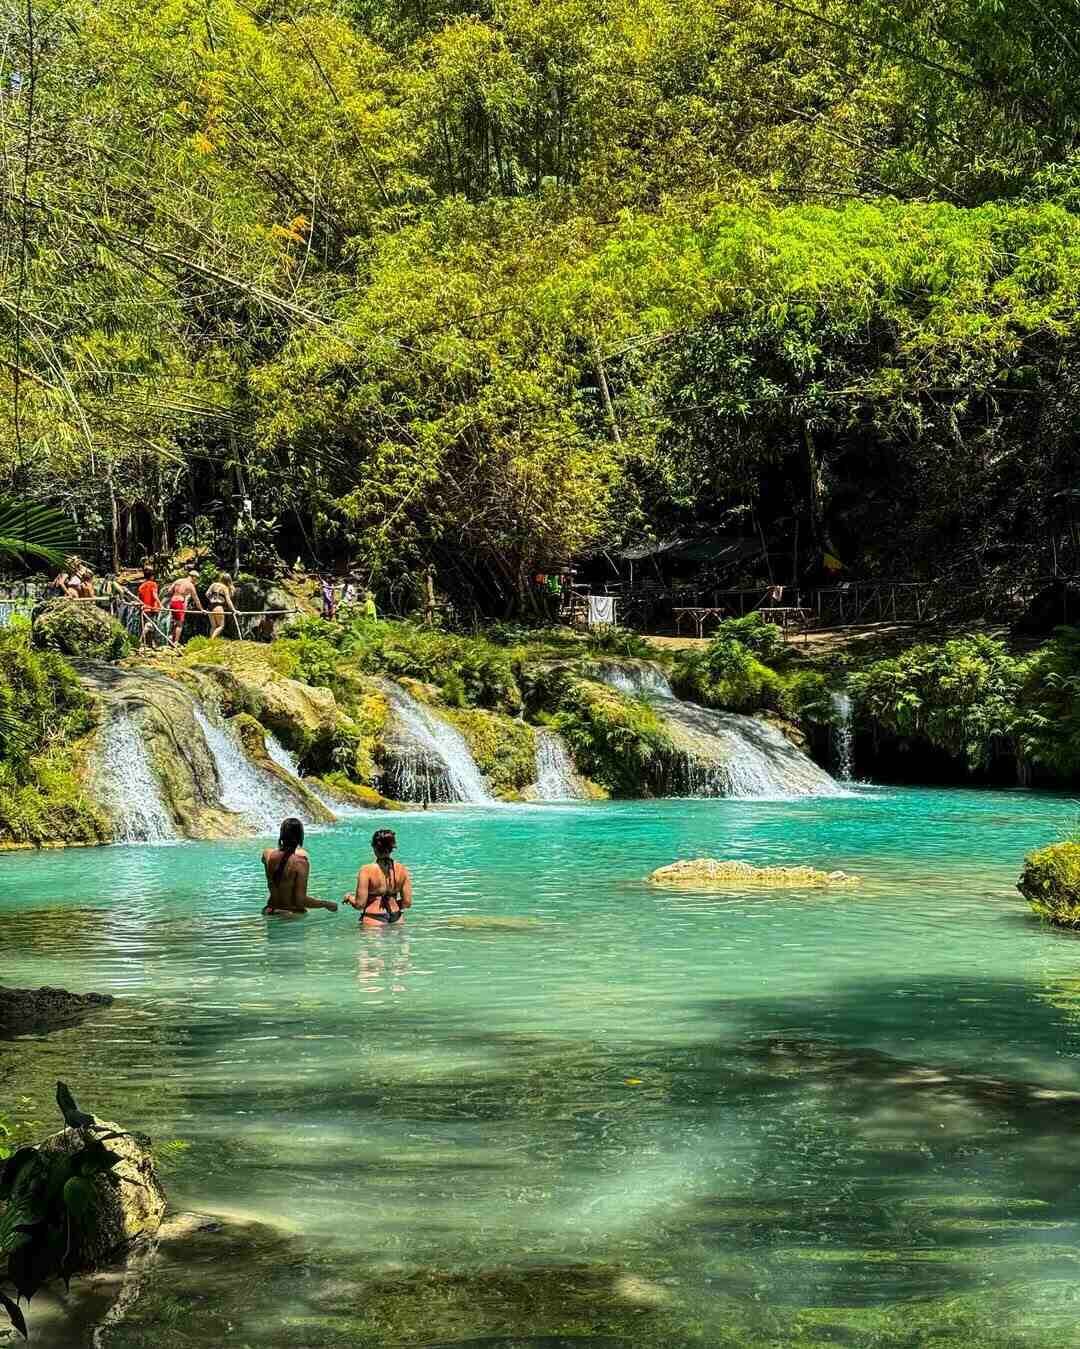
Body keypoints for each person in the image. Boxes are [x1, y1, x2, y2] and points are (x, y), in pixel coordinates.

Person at [262, 818, 338, 916]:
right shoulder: (300, 863)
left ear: (282, 834)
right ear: (300, 837)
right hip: (290, 915)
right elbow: (300, 901)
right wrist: (326, 904)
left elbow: (278, 861)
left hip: (270, 910)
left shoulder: (267, 854)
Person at [344, 828, 412, 927]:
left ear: (374, 847)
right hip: (397, 917)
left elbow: (360, 904)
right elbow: (407, 902)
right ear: (391, 848)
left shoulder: (366, 870)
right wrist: (394, 904)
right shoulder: (402, 869)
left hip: (373, 918)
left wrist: (349, 898)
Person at [165, 570, 205, 647]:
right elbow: (196, 598)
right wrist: (201, 609)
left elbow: (169, 590)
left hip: (172, 602)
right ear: (193, 577)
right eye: (196, 578)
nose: (196, 580)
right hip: (179, 603)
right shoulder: (190, 585)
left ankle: (170, 638)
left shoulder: (178, 580)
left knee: (174, 622)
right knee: (180, 624)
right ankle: (176, 642)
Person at [205, 571, 237, 639]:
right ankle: (211, 640)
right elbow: (228, 600)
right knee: (221, 626)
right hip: (218, 607)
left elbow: (207, 594)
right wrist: (233, 610)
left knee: (213, 626)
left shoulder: (213, 584)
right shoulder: (225, 587)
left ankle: (211, 641)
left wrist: (212, 599)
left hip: (210, 606)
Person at [137, 566, 163, 648]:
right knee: (150, 625)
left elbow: (139, 598)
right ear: (152, 576)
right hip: (152, 609)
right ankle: (141, 641)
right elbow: (154, 595)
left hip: (144, 609)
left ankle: (150, 644)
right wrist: (161, 605)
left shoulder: (141, 586)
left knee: (148, 625)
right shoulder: (153, 584)